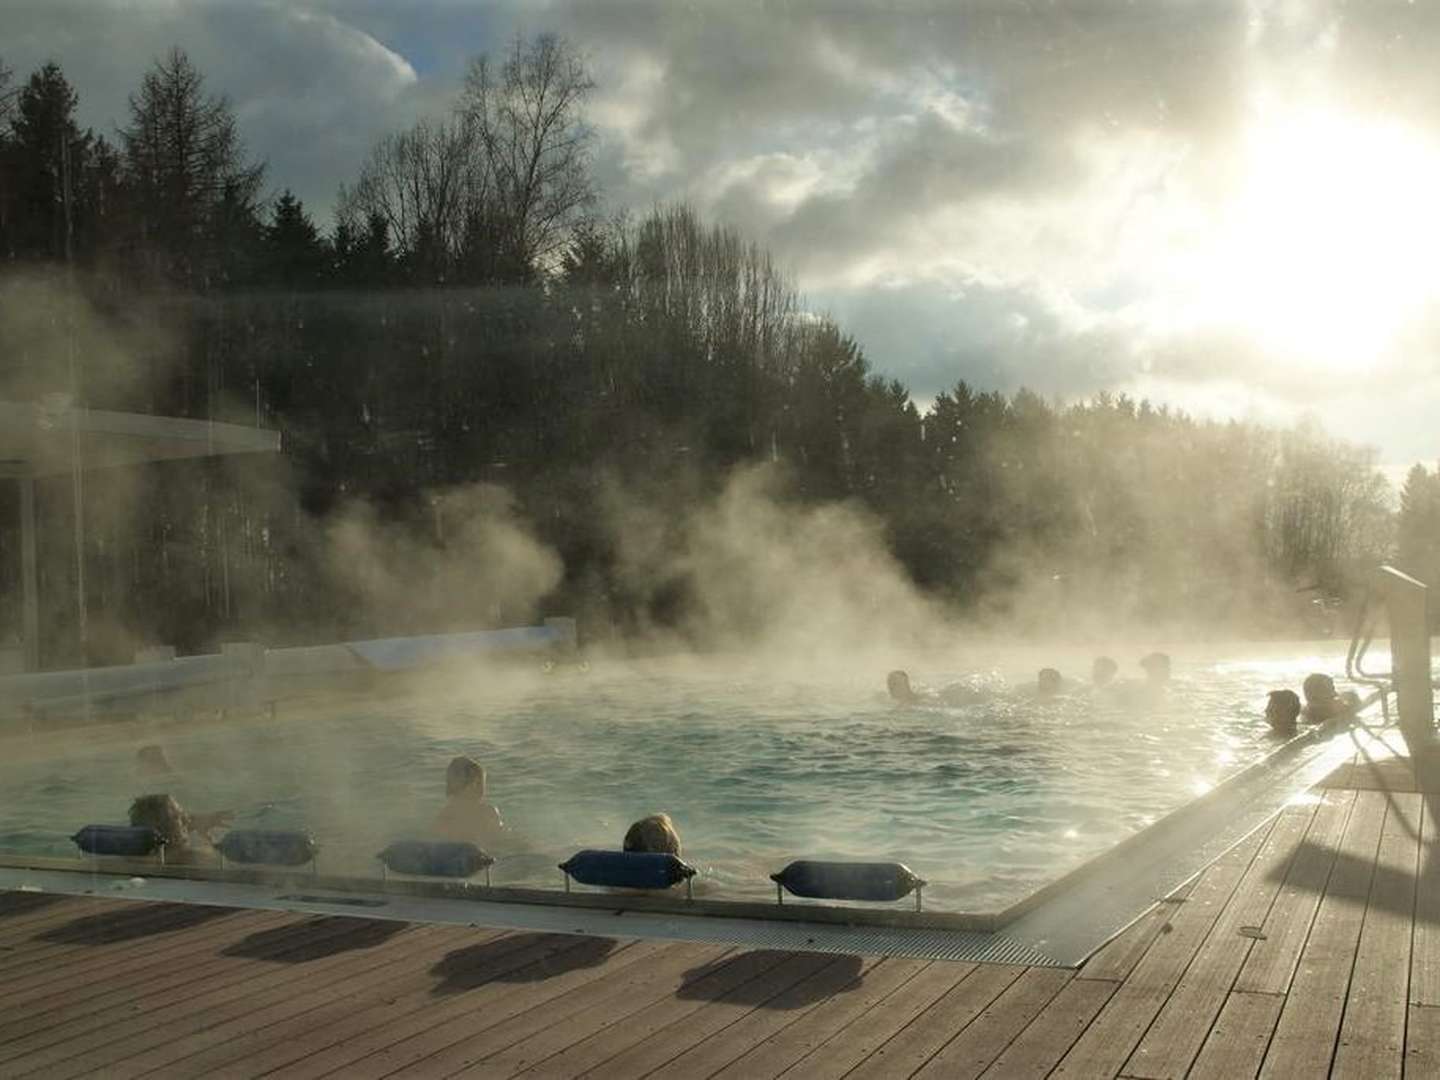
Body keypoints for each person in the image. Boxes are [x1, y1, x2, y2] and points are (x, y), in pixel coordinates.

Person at [128, 794, 232, 863]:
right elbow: (227, 865)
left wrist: (191, 825)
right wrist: (211, 842)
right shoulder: (190, 856)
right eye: (179, 817)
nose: (187, 821)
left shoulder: (137, 858)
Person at [434, 755, 505, 845]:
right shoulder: (487, 812)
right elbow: (500, 838)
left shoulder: (444, 816)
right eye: (482, 783)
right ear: (474, 784)